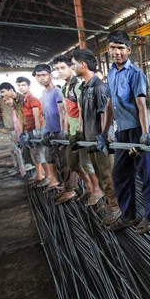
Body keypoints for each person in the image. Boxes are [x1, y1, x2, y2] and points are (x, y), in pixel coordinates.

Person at [98, 31, 150, 235]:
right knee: (119, 174)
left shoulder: (135, 73)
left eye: (121, 48)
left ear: (128, 50)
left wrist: (145, 133)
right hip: (121, 131)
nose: (117, 52)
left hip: (137, 130)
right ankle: (129, 214)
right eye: (113, 48)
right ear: (108, 49)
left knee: (145, 174)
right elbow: (108, 105)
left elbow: (141, 105)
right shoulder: (112, 73)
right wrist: (104, 132)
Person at [71, 49, 121, 224]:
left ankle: (115, 207)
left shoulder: (99, 87)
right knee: (99, 175)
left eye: (74, 64)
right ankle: (109, 203)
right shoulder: (84, 88)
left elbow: (105, 115)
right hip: (90, 139)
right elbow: (84, 115)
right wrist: (80, 133)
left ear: (83, 65)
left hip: (100, 140)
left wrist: (103, 137)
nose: (73, 67)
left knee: (107, 176)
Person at [53, 55, 104, 205]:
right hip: (72, 131)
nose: (60, 71)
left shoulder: (78, 86)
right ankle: (89, 187)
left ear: (71, 68)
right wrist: (65, 130)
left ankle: (96, 190)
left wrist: (80, 131)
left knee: (86, 162)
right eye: (57, 69)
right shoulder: (64, 87)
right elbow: (66, 111)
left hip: (81, 131)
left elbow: (83, 110)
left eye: (63, 68)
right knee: (74, 163)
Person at [33, 64, 73, 195]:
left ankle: (69, 188)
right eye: (38, 76)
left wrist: (63, 131)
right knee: (49, 157)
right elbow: (45, 114)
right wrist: (45, 130)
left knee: (65, 160)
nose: (41, 78)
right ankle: (54, 180)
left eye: (44, 75)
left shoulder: (57, 92)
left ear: (50, 75)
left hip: (59, 131)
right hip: (50, 131)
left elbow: (63, 113)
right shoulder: (44, 94)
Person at [3, 79, 47, 186]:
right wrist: (23, 133)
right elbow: (23, 118)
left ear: (29, 86)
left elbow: (37, 117)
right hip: (29, 129)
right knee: (35, 154)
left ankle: (48, 176)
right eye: (19, 85)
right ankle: (40, 175)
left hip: (37, 129)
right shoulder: (23, 101)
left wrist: (36, 132)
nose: (21, 87)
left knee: (42, 155)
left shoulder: (32, 99)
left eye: (23, 85)